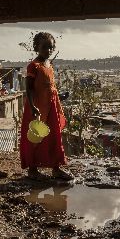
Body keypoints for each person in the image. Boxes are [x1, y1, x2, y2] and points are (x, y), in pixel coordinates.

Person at [20, 32, 73, 180]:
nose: (48, 51)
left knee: (54, 136)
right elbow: (29, 88)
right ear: (36, 47)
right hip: (37, 108)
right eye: (45, 47)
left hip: (51, 107)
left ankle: (56, 168)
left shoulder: (49, 65)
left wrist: (59, 96)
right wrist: (32, 106)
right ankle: (32, 169)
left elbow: (49, 87)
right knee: (35, 138)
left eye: (51, 48)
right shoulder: (33, 66)